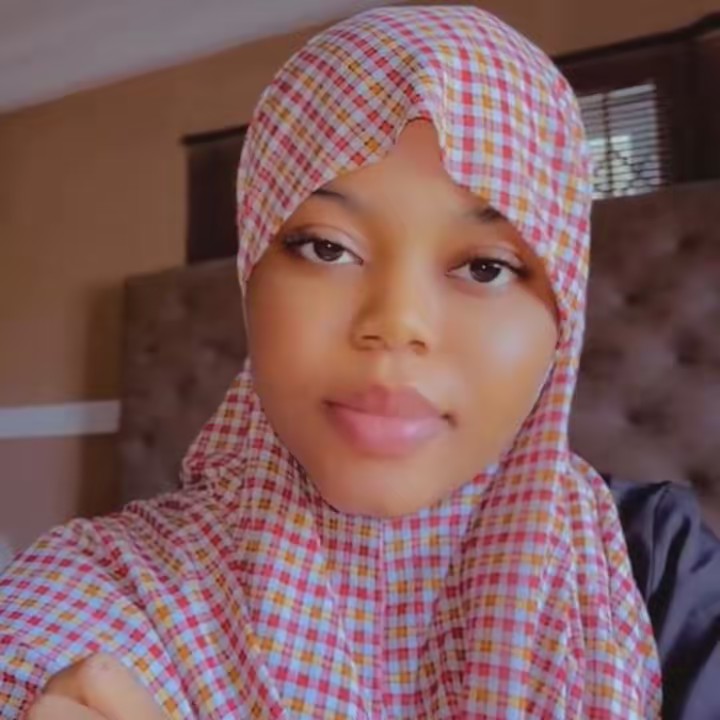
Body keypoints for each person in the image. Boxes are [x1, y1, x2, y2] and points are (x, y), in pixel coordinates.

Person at [1, 6, 719, 719]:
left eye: (487, 267)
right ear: (251, 275)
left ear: (563, 312)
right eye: (326, 248)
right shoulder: (110, 580)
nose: (397, 322)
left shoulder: (654, 564)